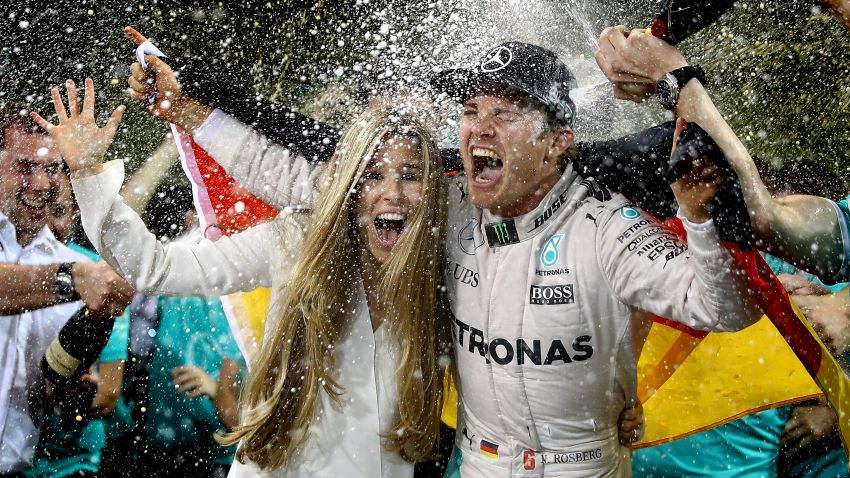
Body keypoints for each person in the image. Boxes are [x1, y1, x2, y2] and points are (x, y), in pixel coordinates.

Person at [126, 28, 765, 474]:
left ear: (558, 142)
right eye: (470, 108)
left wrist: (697, 213)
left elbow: (725, 300)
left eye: (507, 111)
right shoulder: (445, 209)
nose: (479, 126)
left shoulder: (605, 224)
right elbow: (313, 177)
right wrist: (192, 107)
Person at [32, 78, 450, 477]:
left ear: (432, 190)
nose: (392, 192)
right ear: (349, 184)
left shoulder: (444, 265)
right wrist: (87, 171)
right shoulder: (295, 243)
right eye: (374, 174)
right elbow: (153, 267)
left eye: (410, 176)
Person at [0, 103, 133, 475]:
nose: (41, 184)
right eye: (25, 167)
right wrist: (69, 279)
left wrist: (73, 394)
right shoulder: (75, 275)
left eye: (52, 169)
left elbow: (49, 395)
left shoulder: (77, 271)